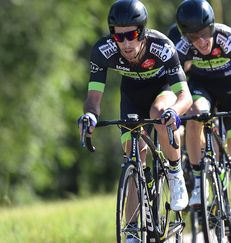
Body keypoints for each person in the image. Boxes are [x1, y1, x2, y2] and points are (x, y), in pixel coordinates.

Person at [77, 0, 192, 232]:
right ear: (113, 36)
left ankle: (175, 171)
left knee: (158, 113)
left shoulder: (162, 46)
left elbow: (185, 96)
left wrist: (175, 112)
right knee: (132, 159)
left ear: (143, 31)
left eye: (132, 35)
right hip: (132, 95)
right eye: (119, 37)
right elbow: (93, 99)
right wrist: (89, 115)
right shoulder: (102, 51)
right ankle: (131, 232)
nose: (126, 43)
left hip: (162, 90)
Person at [174, 0, 231, 242]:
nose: (201, 41)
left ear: (212, 27)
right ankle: (200, 179)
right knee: (194, 117)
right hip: (202, 89)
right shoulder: (181, 46)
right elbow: (173, 85)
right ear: (186, 36)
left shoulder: (228, 39)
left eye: (205, 34)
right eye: (194, 37)